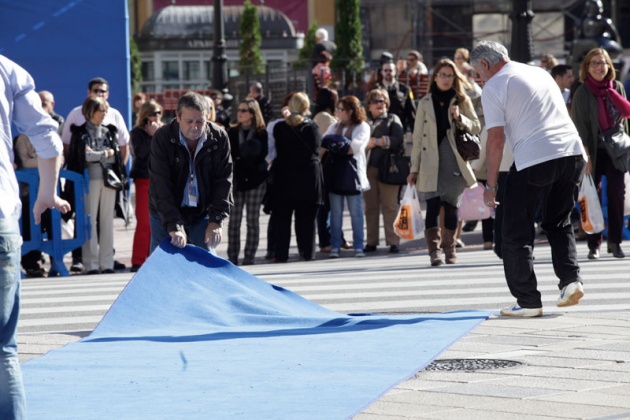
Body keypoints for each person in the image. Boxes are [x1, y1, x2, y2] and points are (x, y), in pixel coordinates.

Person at [470, 40, 587, 317]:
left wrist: (491, 186)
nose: (478, 78)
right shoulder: (539, 72)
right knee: (558, 222)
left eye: (477, 72)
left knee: (514, 231)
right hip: (572, 153)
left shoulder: (495, 86)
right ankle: (571, 281)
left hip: (535, 157)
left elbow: (495, 140)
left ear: (485, 64)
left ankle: (527, 300)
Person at [0, 54, 71, 419]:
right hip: (1, 215)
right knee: (3, 349)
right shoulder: (5, 68)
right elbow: (46, 135)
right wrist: (47, 189)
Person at [408, 58, 480, 266]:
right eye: (442, 75)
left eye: (450, 75)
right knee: (431, 205)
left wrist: (460, 118)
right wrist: (414, 168)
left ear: (455, 78)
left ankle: (450, 249)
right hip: (430, 159)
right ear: (435, 77)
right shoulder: (425, 102)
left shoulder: (461, 100)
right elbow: (418, 137)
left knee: (450, 206)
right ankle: (434, 252)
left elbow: (476, 126)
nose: (446, 79)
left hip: (453, 159)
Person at [61, 77, 130, 273]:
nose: (105, 113)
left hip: (109, 180)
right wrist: (103, 154)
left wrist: (101, 155)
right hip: (87, 180)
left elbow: (117, 153)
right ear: (92, 111)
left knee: (107, 221)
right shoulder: (80, 131)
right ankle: (89, 263)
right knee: (88, 221)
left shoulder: (109, 131)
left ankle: (107, 262)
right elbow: (84, 155)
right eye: (102, 110)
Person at [149, 91, 232, 252]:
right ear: (177, 117)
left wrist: (216, 220)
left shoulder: (219, 137)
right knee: (162, 267)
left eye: (200, 121)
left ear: (207, 117)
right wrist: (173, 225)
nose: (194, 127)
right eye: (189, 121)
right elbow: (160, 185)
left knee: (205, 265)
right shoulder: (162, 138)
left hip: (201, 212)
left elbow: (224, 181)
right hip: (164, 213)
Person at [571, 48, 630, 260]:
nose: (598, 67)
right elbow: (579, 127)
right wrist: (584, 157)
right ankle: (593, 244)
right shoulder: (582, 91)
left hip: (615, 150)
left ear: (609, 66)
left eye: (602, 63)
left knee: (617, 196)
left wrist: (627, 149)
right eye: (594, 63)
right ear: (587, 67)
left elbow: (624, 121)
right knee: (592, 197)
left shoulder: (617, 87)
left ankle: (614, 242)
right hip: (592, 152)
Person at [269, 92, 323, 262]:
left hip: (284, 177)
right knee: (307, 219)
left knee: (282, 219)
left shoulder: (280, 127)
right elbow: (316, 150)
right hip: (308, 177)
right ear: (307, 108)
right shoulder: (312, 127)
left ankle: (281, 254)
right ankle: (307, 253)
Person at [323, 96, 370, 258]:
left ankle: (359, 246)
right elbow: (324, 141)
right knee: (335, 212)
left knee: (356, 212)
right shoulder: (334, 125)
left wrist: (336, 143)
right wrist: (340, 143)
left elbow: (354, 147)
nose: (337, 112)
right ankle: (335, 246)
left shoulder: (362, 126)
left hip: (353, 175)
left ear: (350, 111)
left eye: (341, 109)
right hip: (335, 174)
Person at [227, 98, 268, 266]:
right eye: (239, 110)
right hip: (236, 181)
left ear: (252, 113)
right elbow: (230, 154)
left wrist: (243, 157)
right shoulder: (232, 131)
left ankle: (249, 256)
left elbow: (262, 155)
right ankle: (232, 257)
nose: (240, 113)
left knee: (252, 220)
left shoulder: (261, 132)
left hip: (255, 181)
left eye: (244, 110)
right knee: (234, 221)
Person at [363, 88, 404, 254]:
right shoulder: (364, 121)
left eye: (382, 101)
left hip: (389, 168)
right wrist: (366, 143)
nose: (379, 104)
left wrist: (379, 141)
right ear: (369, 105)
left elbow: (398, 140)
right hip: (369, 168)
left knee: (390, 206)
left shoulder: (393, 119)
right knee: (370, 207)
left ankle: (394, 241)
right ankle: (371, 242)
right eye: (375, 101)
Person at [312, 87, 350, 253]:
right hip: (325, 164)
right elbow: (329, 141)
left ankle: (338, 238)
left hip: (326, 164)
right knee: (325, 206)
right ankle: (326, 241)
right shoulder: (325, 118)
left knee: (331, 205)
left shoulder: (322, 116)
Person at [129, 99, 163, 272]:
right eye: (152, 113)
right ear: (144, 116)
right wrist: (153, 136)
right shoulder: (136, 133)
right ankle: (138, 260)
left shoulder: (165, 131)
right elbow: (141, 154)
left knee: (162, 221)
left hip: (163, 181)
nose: (156, 116)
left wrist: (158, 134)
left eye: (158, 113)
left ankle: (157, 259)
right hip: (144, 180)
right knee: (144, 221)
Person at [376, 61, 416, 133]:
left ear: (395, 71)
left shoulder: (404, 89)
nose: (388, 72)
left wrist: (415, 132)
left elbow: (411, 112)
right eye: (385, 70)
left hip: (399, 128)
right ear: (382, 72)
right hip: (380, 129)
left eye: (390, 70)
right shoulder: (376, 90)